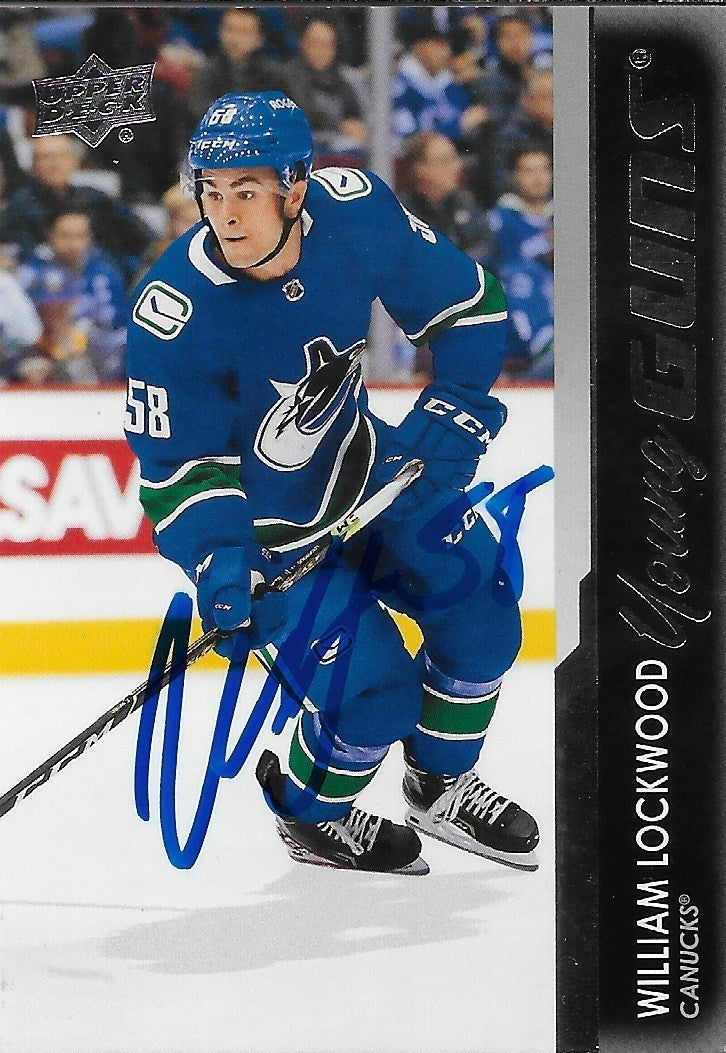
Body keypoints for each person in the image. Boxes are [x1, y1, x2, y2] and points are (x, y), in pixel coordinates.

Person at [125, 92, 540, 876]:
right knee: (374, 694)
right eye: (211, 190)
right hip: (274, 539)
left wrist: (458, 406)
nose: (225, 214)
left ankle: (441, 785)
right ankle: (312, 815)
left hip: (371, 473)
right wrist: (222, 562)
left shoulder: (354, 212)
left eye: (246, 190)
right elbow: (179, 470)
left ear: (295, 187)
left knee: (483, 613)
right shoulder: (174, 313)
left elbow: (470, 305)